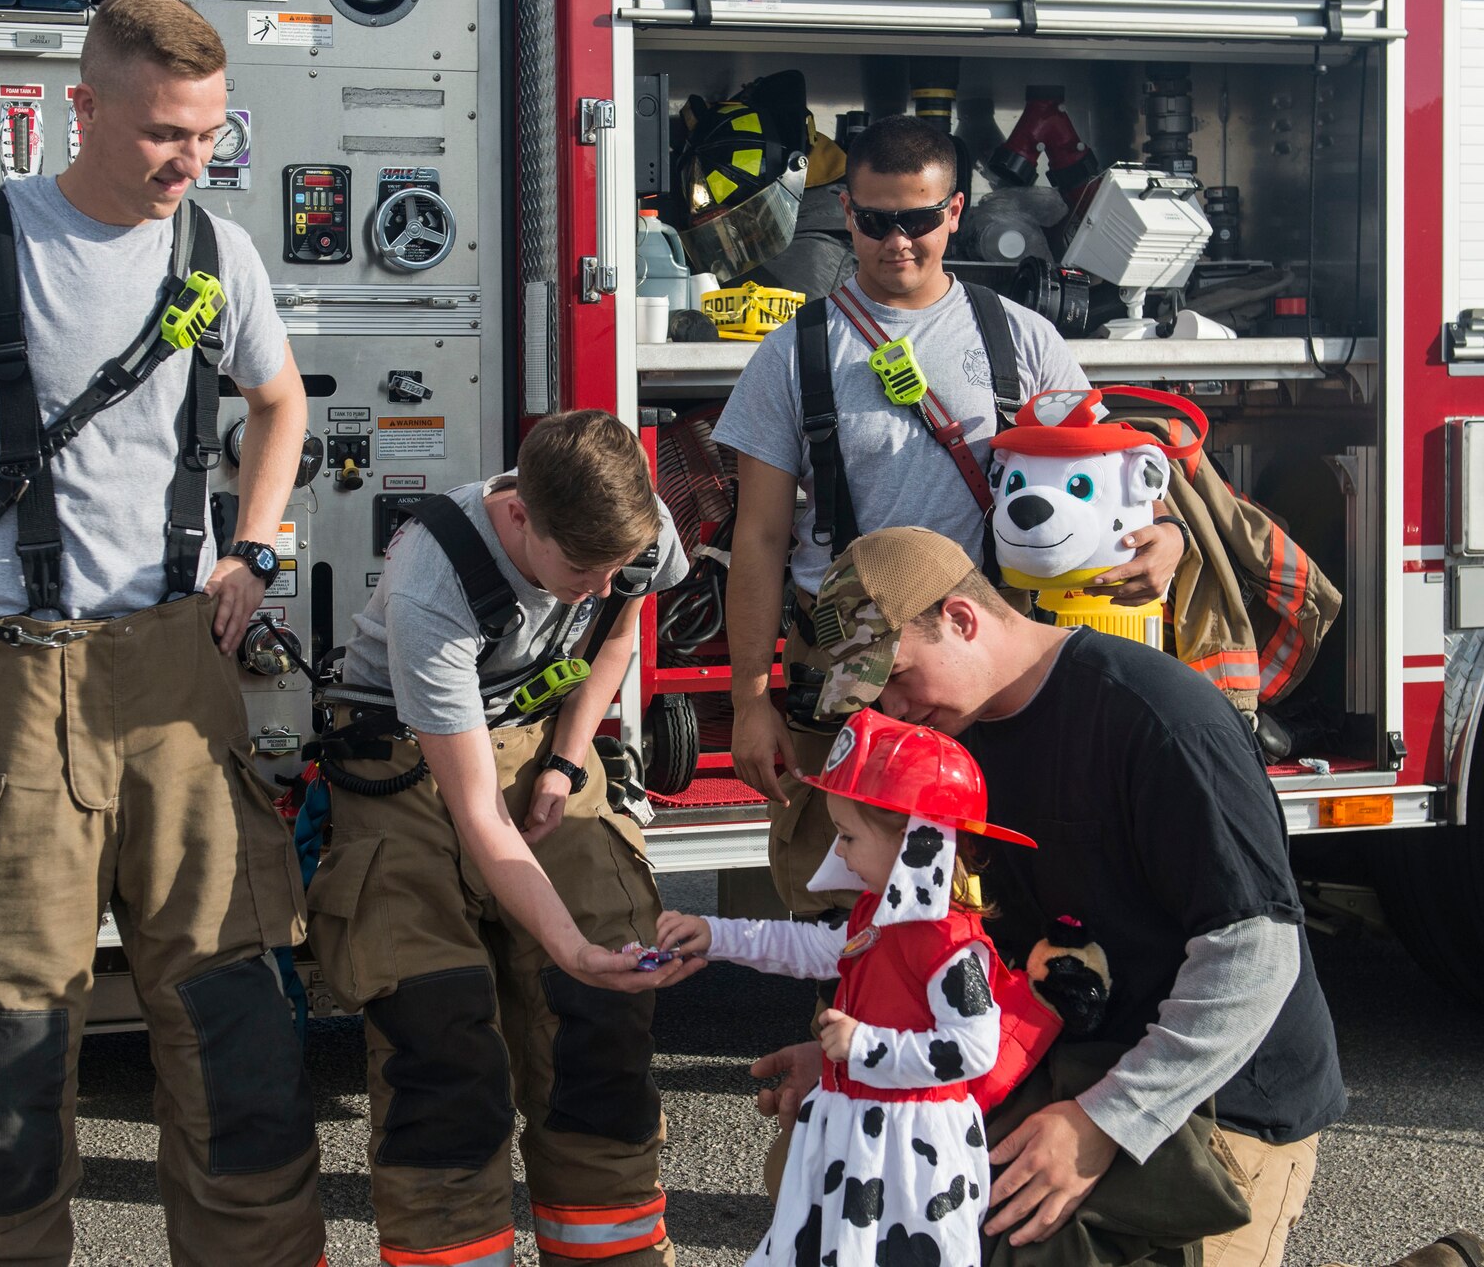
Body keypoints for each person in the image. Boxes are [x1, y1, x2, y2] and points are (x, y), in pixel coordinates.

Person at [0, 0, 324, 1267]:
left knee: (240, 1036)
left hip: (177, 677)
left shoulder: (217, 251)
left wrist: (253, 545)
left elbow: (279, 399)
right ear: (80, 110)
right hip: (16, 682)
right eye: (159, 133)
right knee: (4, 1052)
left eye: (204, 135)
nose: (186, 161)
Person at [773, 525, 1346, 1266]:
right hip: (1069, 1059)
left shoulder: (1159, 717)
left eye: (899, 674)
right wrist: (861, 1062)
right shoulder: (952, 735)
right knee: (817, 1166)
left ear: (961, 618)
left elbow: (1254, 957)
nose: (894, 707)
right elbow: (936, 946)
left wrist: (1102, 1123)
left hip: (1223, 1095)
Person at [708, 114, 1186, 916]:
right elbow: (757, 540)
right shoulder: (793, 354)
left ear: (956, 211)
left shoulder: (1023, 340)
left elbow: (1109, 481)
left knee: (1008, 903)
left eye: (920, 219)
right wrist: (750, 699)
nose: (899, 242)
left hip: (993, 677)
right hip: (850, 676)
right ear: (846, 215)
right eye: (876, 220)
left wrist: (1165, 534)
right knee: (849, 920)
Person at [307, 409, 699, 1267]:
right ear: (520, 515)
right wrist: (565, 945)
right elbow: (479, 815)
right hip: (409, 761)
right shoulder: (431, 580)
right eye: (580, 569)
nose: (599, 586)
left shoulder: (631, 534)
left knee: (605, 1008)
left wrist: (565, 762)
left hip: (537, 738)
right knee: (440, 1039)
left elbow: (619, 629)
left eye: (614, 566)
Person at [659, 708, 1042, 1267]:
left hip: (911, 1163)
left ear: (916, 845)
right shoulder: (876, 917)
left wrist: (865, 1047)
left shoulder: (951, 949)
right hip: (859, 1138)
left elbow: (974, 1050)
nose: (837, 853)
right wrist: (714, 934)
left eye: (847, 836)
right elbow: (811, 948)